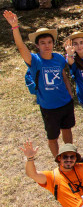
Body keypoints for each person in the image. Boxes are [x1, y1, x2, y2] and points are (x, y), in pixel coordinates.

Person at [5, 11, 74, 158]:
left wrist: (70, 93)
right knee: (52, 137)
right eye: (43, 43)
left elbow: (64, 76)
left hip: (65, 103)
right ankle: (58, 160)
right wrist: (15, 27)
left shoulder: (59, 58)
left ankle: (69, 156)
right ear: (37, 45)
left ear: (53, 43)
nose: (47, 45)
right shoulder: (35, 61)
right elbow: (21, 47)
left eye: (49, 42)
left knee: (67, 130)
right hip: (48, 107)